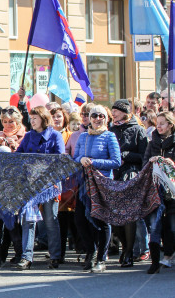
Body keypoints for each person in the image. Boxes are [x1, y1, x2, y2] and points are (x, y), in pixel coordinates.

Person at [14, 106, 65, 270]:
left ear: (43, 118)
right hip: (30, 184)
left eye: (35, 118)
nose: (32, 121)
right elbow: (18, 155)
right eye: (31, 118)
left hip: (49, 183)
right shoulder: (28, 136)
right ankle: (26, 257)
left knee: (50, 220)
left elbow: (59, 158)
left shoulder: (55, 135)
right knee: (28, 221)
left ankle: (55, 256)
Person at [74, 105, 121, 273]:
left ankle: (102, 258)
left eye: (101, 116)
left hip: (102, 184)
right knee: (80, 219)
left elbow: (116, 161)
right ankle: (91, 251)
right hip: (85, 183)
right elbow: (76, 157)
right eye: (94, 115)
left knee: (102, 221)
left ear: (105, 118)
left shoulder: (110, 136)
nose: (97, 119)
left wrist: (94, 162)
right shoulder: (83, 137)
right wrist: (82, 159)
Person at [109, 99, 148, 268]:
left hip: (131, 176)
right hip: (113, 176)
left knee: (129, 215)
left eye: (116, 110)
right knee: (115, 217)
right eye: (112, 110)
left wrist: (125, 155)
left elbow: (144, 156)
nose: (113, 113)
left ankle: (129, 251)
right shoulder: (110, 130)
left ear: (125, 112)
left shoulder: (138, 130)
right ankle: (124, 246)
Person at [143, 111, 175, 273]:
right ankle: (155, 262)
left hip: (172, 191)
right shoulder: (152, 143)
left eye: (163, 123)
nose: (159, 126)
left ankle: (169, 254)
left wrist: (170, 163)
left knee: (172, 226)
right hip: (156, 191)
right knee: (154, 226)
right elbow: (144, 164)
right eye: (158, 123)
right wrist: (151, 161)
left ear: (170, 125)